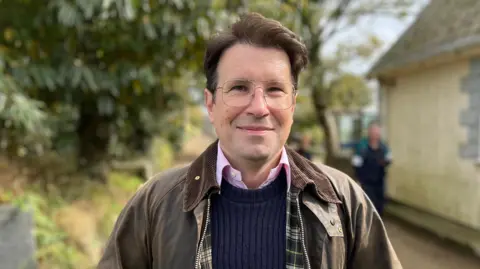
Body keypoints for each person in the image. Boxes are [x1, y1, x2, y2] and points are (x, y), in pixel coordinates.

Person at [98, 13, 402, 269]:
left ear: (293, 105)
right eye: (240, 87)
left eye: (274, 90)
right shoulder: (156, 204)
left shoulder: (343, 201)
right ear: (211, 103)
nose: (258, 107)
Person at [351, 120, 392, 217]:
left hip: (379, 182)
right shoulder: (362, 146)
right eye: (373, 131)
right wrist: (358, 180)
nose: (375, 133)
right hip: (366, 183)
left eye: (377, 131)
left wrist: (384, 162)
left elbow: (389, 160)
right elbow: (356, 165)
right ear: (369, 132)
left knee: (379, 206)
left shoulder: (383, 147)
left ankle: (377, 226)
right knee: (368, 206)